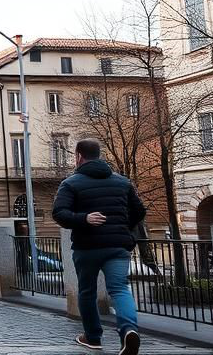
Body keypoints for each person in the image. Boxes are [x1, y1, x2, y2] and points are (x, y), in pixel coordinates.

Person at [53, 139, 146, 355]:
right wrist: (122, 225)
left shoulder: (71, 183)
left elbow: (59, 213)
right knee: (120, 289)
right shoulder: (123, 182)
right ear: (99, 155)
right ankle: (129, 331)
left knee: (87, 291)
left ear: (78, 156)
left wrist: (84, 219)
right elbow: (140, 212)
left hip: (88, 247)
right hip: (118, 245)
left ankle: (93, 337)